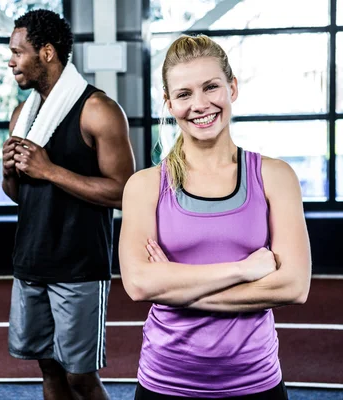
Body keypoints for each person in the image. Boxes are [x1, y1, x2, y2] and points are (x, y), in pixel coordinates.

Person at [119, 34, 312, 399]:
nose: (200, 104)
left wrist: (175, 289)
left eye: (211, 87)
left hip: (256, 382)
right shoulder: (144, 187)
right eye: (184, 94)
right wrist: (242, 270)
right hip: (166, 382)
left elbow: (294, 286)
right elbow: (140, 284)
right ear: (169, 102)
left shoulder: (275, 176)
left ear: (232, 87)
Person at [2, 9, 136, 400]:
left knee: (80, 377)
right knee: (48, 369)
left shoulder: (99, 110)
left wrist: (48, 170)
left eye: (17, 52)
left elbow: (124, 191)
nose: (10, 61)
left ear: (46, 52)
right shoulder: (21, 116)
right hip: (30, 262)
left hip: (78, 267)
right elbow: (19, 195)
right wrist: (9, 171)